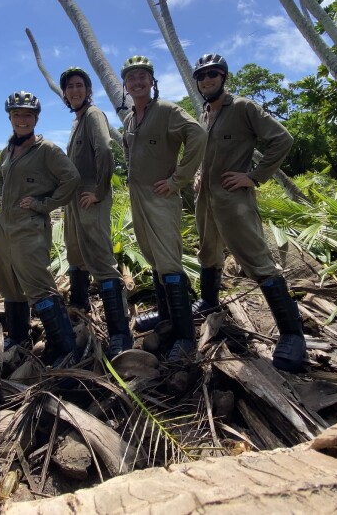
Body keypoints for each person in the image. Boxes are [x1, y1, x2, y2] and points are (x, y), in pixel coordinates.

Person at [191, 54, 306, 372]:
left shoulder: (242, 108)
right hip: (207, 201)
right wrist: (199, 173)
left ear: (223, 77)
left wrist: (253, 176)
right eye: (201, 76)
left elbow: (282, 140)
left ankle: (293, 335)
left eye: (213, 74)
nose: (207, 80)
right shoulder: (204, 115)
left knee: (258, 261)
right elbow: (205, 152)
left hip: (234, 201)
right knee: (208, 252)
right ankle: (209, 302)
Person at [120, 55, 206, 362]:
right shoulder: (130, 119)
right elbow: (129, 149)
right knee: (153, 256)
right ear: (126, 85)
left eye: (143, 76)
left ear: (152, 82)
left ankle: (185, 336)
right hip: (138, 197)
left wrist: (178, 179)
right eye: (132, 78)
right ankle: (166, 316)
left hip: (162, 195)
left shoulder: (167, 110)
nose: (138, 82)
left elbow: (197, 135)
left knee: (169, 259)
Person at [0, 91, 82, 367]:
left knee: (39, 285)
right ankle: (18, 337)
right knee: (9, 282)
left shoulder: (47, 150)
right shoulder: (7, 150)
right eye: (17, 114)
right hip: (5, 227)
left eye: (28, 115)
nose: (22, 120)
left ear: (36, 119)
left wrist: (45, 203)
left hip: (30, 227)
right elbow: (2, 182)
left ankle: (66, 349)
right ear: (10, 117)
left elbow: (72, 178)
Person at [60, 67, 133, 359]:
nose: (75, 90)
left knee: (101, 261)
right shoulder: (77, 121)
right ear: (64, 94)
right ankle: (79, 307)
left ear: (88, 90)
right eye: (70, 87)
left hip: (92, 198)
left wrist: (100, 190)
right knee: (75, 254)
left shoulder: (93, 115)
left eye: (80, 85)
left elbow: (104, 150)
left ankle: (120, 333)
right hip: (75, 201)